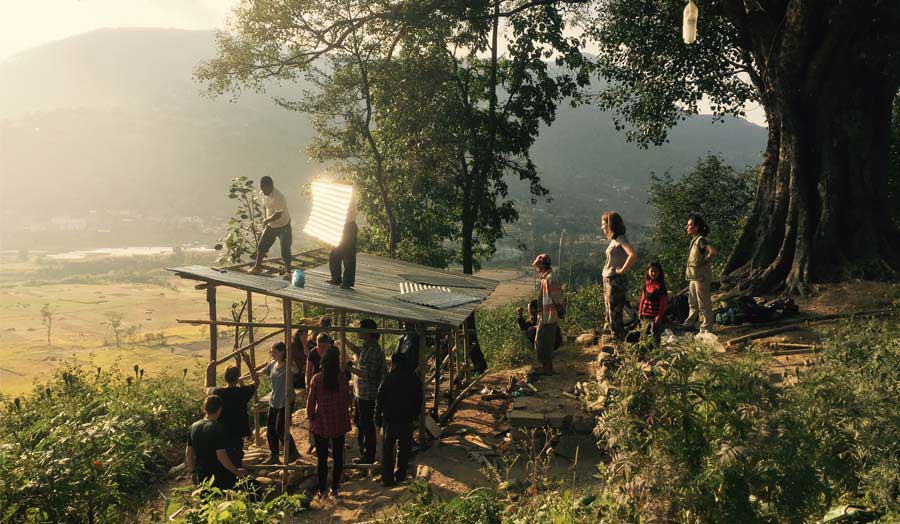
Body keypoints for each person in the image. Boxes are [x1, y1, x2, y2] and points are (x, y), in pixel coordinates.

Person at [336, 318, 385, 464]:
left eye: (361, 329)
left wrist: (349, 368)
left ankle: (368, 455)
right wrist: (345, 342)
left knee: (367, 424)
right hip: (361, 393)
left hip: (368, 394)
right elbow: (358, 351)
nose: (359, 331)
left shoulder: (374, 351)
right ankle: (364, 451)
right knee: (360, 422)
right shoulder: (367, 347)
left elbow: (368, 374)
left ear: (369, 332)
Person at [306, 347, 352, 498]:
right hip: (338, 421)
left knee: (322, 459)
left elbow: (311, 402)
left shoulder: (317, 379)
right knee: (338, 456)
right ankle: (335, 487)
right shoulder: (342, 378)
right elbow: (347, 398)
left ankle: (322, 490)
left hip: (321, 423)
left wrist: (311, 416)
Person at [375, 352, 423, 487]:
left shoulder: (389, 378)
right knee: (404, 449)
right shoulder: (414, 378)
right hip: (407, 419)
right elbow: (419, 399)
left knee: (387, 449)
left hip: (390, 419)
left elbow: (380, 398)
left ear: (394, 364)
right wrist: (415, 415)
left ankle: (387, 478)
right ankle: (400, 475)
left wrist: (377, 417)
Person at [185, 395, 250, 489]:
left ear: (204, 408)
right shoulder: (218, 428)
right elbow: (221, 456)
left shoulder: (193, 427)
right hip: (218, 475)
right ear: (219, 409)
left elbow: (189, 452)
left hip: (202, 475)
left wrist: (192, 471)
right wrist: (236, 471)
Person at [210, 353, 259, 469]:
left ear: (225, 377)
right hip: (238, 431)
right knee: (236, 457)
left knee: (222, 455)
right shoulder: (242, 392)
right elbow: (256, 382)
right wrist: (248, 363)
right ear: (237, 379)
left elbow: (206, 388)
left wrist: (208, 370)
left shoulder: (218, 392)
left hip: (222, 430)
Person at [262, 341, 300, 464]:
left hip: (286, 400)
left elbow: (296, 371)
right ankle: (274, 455)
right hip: (274, 400)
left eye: (274, 352)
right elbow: (260, 373)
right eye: (271, 351)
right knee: (270, 429)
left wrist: (290, 362)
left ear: (282, 352)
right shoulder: (272, 364)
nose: (272, 354)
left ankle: (292, 452)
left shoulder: (288, 365)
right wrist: (242, 378)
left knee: (281, 428)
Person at [601, 211, 637, 341]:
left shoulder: (621, 239)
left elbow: (632, 255)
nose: (602, 228)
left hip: (615, 281)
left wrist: (622, 270)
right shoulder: (614, 240)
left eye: (604, 225)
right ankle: (614, 341)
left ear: (611, 225)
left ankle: (618, 343)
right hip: (609, 279)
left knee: (615, 314)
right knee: (610, 312)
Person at [249, 176, 292, 276]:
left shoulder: (278, 197)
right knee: (262, 246)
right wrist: (265, 219)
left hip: (283, 225)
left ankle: (288, 271)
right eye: (261, 188)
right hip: (271, 225)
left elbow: (278, 214)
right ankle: (257, 267)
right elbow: (265, 207)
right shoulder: (262, 194)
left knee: (285, 249)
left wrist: (267, 220)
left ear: (270, 186)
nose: (262, 190)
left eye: (264, 188)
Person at [683, 213, 717, 334]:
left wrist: (704, 261)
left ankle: (706, 328)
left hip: (701, 277)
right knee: (692, 302)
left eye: (690, 225)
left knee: (703, 303)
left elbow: (712, 252)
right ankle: (689, 324)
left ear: (696, 227)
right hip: (694, 277)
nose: (687, 227)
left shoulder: (701, 240)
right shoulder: (695, 240)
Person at [533, 254, 566, 375]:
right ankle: (546, 366)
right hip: (545, 315)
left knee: (544, 342)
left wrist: (560, 311)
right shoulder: (545, 278)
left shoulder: (551, 278)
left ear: (542, 265)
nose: (536, 268)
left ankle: (547, 368)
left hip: (550, 315)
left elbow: (557, 297)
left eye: (538, 265)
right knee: (542, 341)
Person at [327, 184, 358, 289]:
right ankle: (336, 279)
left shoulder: (349, 199)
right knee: (334, 254)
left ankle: (347, 282)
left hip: (348, 227)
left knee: (348, 256)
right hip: (340, 226)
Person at [638, 262, 668, 347]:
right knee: (643, 334)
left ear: (659, 272)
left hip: (655, 315)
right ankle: (642, 352)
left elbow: (663, 303)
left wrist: (659, 316)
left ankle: (656, 353)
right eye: (651, 271)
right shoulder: (646, 284)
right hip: (645, 314)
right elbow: (642, 299)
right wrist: (640, 312)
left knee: (655, 334)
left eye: (656, 271)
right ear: (648, 272)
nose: (653, 273)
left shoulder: (661, 287)